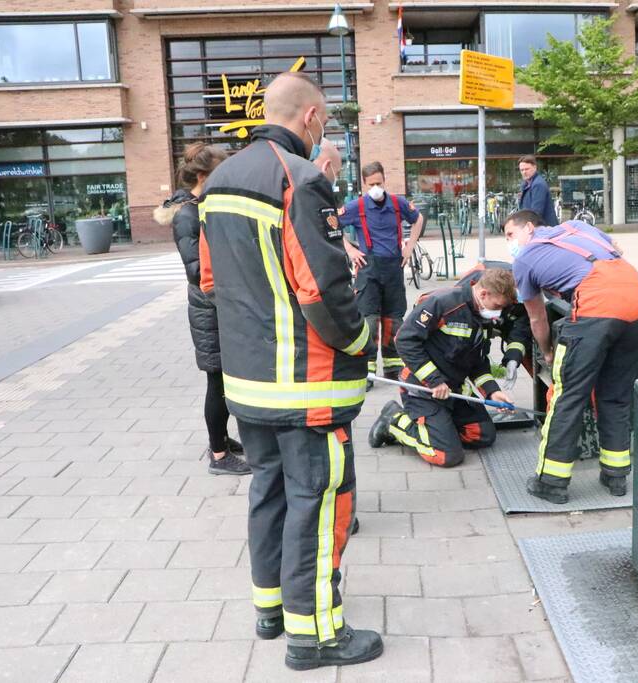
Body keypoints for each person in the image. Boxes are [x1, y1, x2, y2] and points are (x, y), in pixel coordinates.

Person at [198, 72, 382, 671]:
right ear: (309, 118)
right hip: (307, 383)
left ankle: (272, 610)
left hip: (248, 384)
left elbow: (208, 285)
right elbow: (322, 290)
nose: (324, 127)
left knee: (269, 491)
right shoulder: (301, 180)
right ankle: (318, 635)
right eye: (324, 119)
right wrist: (360, 341)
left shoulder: (220, 181)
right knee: (321, 499)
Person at [503, 210, 638, 504]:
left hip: (596, 306)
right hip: (635, 301)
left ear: (529, 227)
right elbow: (616, 249)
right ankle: (616, 476)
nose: (510, 242)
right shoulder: (578, 225)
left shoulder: (525, 259)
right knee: (615, 395)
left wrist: (546, 351)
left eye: (510, 234)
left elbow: (537, 317)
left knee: (567, 396)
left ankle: (551, 482)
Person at [154, 143, 250, 477]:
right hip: (208, 308)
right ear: (204, 176)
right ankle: (220, 455)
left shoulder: (201, 207)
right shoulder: (187, 214)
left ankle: (221, 438)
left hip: (217, 304)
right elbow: (196, 269)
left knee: (223, 380)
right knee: (218, 382)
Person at [367, 269, 517, 467]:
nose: (498, 313)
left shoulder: (481, 316)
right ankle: (394, 421)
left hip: (452, 392)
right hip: (423, 389)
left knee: (482, 435)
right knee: (447, 456)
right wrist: (434, 381)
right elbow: (404, 341)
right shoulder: (443, 304)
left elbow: (478, 363)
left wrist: (492, 392)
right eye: (497, 306)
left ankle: (438, 428)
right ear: (483, 294)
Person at [338, 162, 424, 384]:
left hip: (394, 267)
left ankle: (393, 368)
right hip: (368, 268)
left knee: (393, 319)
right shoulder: (356, 206)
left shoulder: (398, 203)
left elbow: (418, 219)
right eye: (372, 184)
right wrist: (350, 249)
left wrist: (410, 246)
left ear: (384, 180)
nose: (376, 187)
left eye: (379, 183)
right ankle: (367, 372)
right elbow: (332, 225)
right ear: (365, 184)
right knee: (369, 319)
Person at [452, 260, 532, 391]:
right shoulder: (472, 287)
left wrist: (513, 359)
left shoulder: (524, 296)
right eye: (497, 306)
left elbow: (520, 331)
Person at [517, 155, 558, 227]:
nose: (524, 172)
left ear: (535, 167)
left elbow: (536, 213)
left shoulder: (538, 184)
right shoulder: (526, 184)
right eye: (522, 170)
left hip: (543, 230)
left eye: (527, 169)